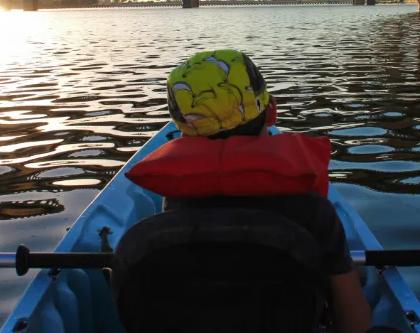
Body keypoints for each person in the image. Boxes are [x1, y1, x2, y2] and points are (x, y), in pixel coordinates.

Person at [158, 49, 372, 333]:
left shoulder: (173, 206)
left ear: (184, 132)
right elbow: (356, 327)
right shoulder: (313, 212)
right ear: (271, 111)